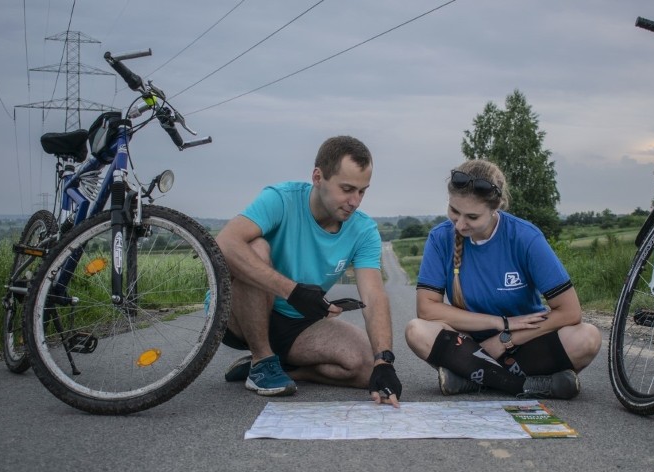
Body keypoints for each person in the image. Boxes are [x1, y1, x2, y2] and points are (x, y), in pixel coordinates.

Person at [215, 135, 402, 407]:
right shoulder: (280, 199)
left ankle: (285, 369)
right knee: (255, 248)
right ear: (318, 177)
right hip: (239, 314)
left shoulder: (364, 230)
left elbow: (373, 296)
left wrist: (384, 361)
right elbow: (224, 244)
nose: (355, 201)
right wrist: (293, 292)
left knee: (365, 367)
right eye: (347, 188)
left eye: (362, 191)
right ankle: (262, 360)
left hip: (297, 324)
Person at [404, 159, 601, 398]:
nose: (460, 224)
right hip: (468, 346)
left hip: (525, 342)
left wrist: (506, 339)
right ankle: (520, 385)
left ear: (495, 208)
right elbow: (427, 310)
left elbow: (570, 312)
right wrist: (500, 323)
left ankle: (472, 378)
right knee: (417, 331)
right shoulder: (439, 238)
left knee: (587, 338)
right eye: (454, 211)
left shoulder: (526, 237)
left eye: (472, 217)